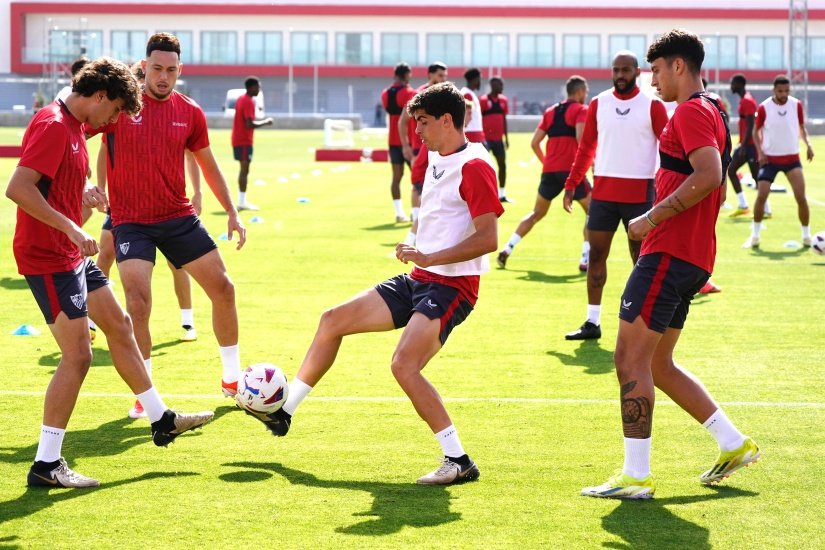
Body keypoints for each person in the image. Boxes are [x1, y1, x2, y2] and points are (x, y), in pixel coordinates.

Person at [243, 83, 503, 485]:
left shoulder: (476, 166)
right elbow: (438, 217)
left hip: (452, 288)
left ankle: (459, 460)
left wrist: (430, 256)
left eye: (423, 122)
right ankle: (284, 413)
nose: (416, 130)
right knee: (332, 320)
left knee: (404, 365)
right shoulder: (435, 155)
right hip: (420, 278)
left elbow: (489, 238)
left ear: (447, 121)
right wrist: (416, 245)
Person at [5, 57, 213, 489]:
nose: (116, 119)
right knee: (78, 356)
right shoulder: (52, 125)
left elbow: (55, 180)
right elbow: (18, 188)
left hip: (70, 254)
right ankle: (46, 464)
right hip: (49, 258)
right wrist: (72, 226)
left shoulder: (76, 125)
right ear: (99, 97)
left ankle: (161, 419)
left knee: (120, 325)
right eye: (116, 109)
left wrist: (83, 191)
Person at [582, 30, 759, 499]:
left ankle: (636, 476)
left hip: (670, 251)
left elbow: (709, 174)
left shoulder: (693, 111)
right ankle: (732, 442)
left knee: (628, 358)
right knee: (658, 363)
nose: (651, 79)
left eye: (656, 70)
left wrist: (649, 217)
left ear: (679, 66)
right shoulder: (715, 108)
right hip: (692, 256)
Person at [89, 33, 247, 418]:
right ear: (144, 67)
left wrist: (232, 211)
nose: (163, 76)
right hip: (131, 222)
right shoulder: (119, 106)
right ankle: (146, 395)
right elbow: (78, 137)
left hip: (177, 218)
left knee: (224, 288)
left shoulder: (190, 112)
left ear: (180, 71)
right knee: (138, 304)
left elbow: (208, 165)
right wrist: (89, 185)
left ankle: (231, 378)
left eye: (171, 70)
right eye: (156, 68)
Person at [96, 62, 202, 361]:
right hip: (124, 207)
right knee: (105, 253)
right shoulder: (118, 114)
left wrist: (197, 191)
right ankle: (91, 315)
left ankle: (187, 318)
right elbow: (104, 150)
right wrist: (100, 187)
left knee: (176, 265)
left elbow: (192, 154)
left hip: (167, 208)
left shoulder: (178, 112)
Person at [562, 51, 669, 340]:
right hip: (604, 195)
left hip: (640, 194)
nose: (620, 75)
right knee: (596, 255)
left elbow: (668, 149)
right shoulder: (599, 103)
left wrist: (665, 187)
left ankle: (644, 324)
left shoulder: (652, 105)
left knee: (641, 259)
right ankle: (592, 321)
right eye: (616, 70)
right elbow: (586, 148)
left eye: (626, 70)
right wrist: (572, 184)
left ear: (637, 71)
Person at [498, 75, 591, 271]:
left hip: (549, 171)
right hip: (571, 171)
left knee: (536, 213)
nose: (586, 96)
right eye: (586, 92)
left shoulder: (550, 111)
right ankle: (585, 259)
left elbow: (534, 143)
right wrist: (591, 164)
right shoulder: (581, 110)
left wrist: (546, 162)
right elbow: (582, 141)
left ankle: (507, 248)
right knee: (594, 213)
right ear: (580, 91)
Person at [745, 75, 814, 249]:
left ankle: (806, 236)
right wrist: (760, 152)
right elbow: (755, 132)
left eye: (786, 91)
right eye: (780, 91)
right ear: (774, 90)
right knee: (761, 196)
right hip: (770, 160)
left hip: (792, 159)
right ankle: (755, 236)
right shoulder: (764, 107)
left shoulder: (796, 105)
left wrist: (809, 145)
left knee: (801, 197)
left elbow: (801, 127)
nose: (784, 94)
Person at [381, 63, 417, 223]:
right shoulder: (410, 92)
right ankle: (415, 214)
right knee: (417, 178)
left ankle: (399, 212)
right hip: (409, 141)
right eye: (409, 75)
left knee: (396, 177)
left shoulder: (385, 93)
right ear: (405, 75)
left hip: (392, 141)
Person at [232, 76, 273, 212]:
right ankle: (242, 202)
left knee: (244, 169)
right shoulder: (248, 101)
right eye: (258, 87)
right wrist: (266, 122)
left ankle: (242, 200)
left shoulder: (241, 99)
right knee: (244, 170)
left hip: (238, 138)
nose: (259, 90)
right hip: (244, 140)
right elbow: (249, 124)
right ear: (251, 87)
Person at [727, 73, 763, 218]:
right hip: (748, 144)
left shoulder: (747, 101)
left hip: (750, 145)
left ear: (739, 84)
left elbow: (750, 124)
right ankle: (748, 206)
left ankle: (747, 206)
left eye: (732, 83)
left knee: (750, 175)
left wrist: (743, 146)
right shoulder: (745, 99)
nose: (731, 86)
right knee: (752, 175)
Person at [399, 61, 448, 164]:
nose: (443, 79)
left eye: (445, 76)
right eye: (440, 75)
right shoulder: (418, 94)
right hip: (420, 148)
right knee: (420, 180)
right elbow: (403, 121)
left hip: (441, 148)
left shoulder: (446, 97)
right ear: (430, 75)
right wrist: (405, 146)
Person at [480, 77, 510, 202]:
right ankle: (484, 193)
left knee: (502, 165)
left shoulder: (504, 100)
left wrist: (506, 138)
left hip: (498, 139)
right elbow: (478, 119)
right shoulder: (483, 100)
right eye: (500, 85)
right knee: (484, 167)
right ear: (493, 85)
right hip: (486, 139)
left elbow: (504, 119)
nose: (502, 87)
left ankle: (502, 194)